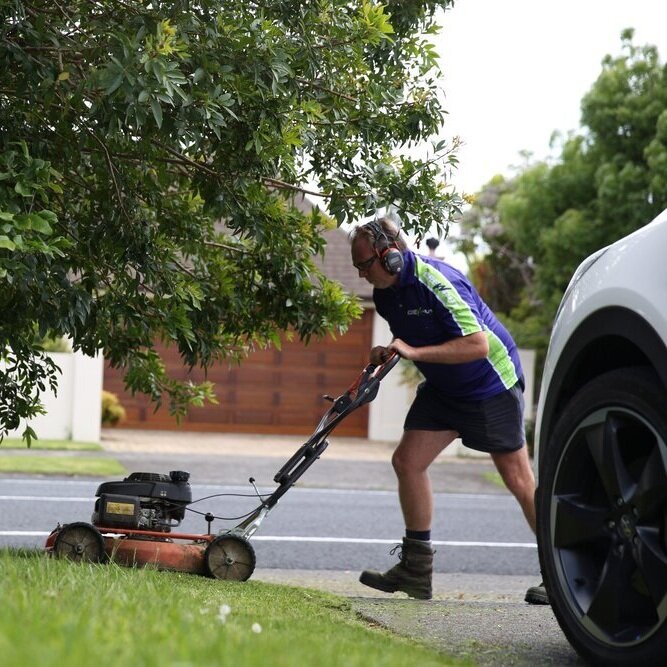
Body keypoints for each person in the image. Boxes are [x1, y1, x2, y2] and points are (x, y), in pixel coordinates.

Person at [349, 217, 548, 604]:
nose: (360, 275)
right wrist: (390, 351)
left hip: (491, 385)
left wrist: (415, 354)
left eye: (364, 265)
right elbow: (409, 333)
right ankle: (416, 572)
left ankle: (563, 578)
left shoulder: (439, 282)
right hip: (444, 388)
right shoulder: (387, 294)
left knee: (519, 481)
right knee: (407, 462)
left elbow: (478, 346)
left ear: (389, 255)